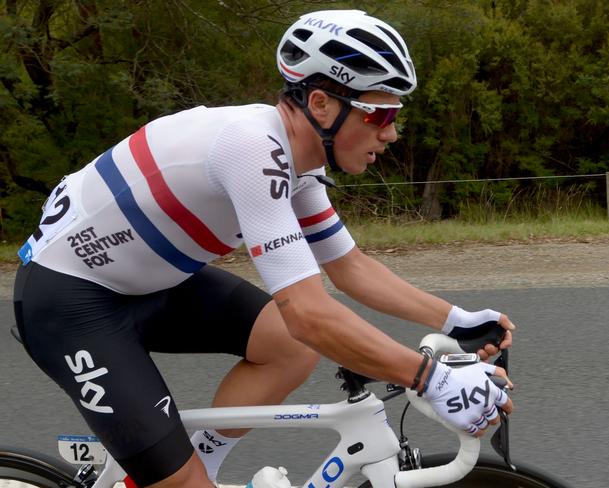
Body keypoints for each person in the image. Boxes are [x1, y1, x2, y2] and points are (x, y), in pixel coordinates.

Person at [13, 9, 515, 488]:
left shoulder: (297, 160)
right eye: (379, 114)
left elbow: (348, 267)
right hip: (71, 302)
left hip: (148, 281)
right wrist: (429, 378)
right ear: (321, 104)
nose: (391, 133)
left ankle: (201, 459)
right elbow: (309, 313)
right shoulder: (251, 148)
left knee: (287, 346)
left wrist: (455, 320)